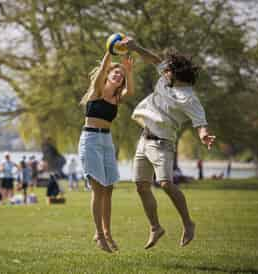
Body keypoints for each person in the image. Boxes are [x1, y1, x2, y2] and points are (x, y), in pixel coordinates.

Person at [122, 37, 216, 249]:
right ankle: (156, 228)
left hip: (163, 143)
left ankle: (188, 223)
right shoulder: (166, 78)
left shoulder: (190, 99)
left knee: (165, 183)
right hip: (144, 139)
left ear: (177, 74)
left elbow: (200, 122)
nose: (164, 71)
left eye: (169, 70)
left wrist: (203, 135)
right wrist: (135, 47)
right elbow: (154, 59)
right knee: (141, 186)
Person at [78, 48, 134, 253]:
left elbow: (132, 91)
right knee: (98, 188)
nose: (118, 76)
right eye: (115, 73)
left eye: (121, 75)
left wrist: (128, 72)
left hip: (107, 141)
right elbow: (102, 69)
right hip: (91, 139)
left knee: (109, 187)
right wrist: (109, 51)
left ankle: (107, 232)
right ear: (108, 75)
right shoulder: (96, 91)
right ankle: (99, 235)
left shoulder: (117, 99)